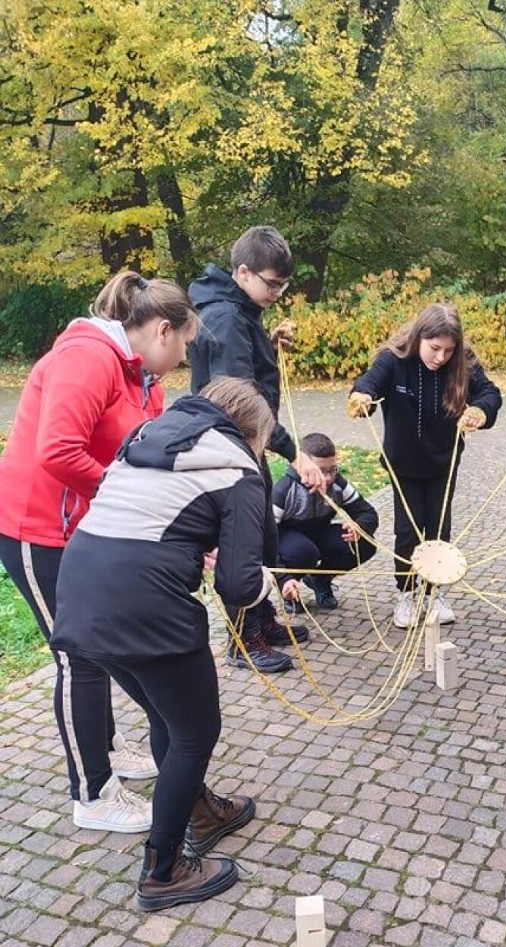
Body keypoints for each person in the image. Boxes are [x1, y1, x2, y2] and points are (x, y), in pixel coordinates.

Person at [51, 378, 298, 911]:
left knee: (167, 717)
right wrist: (265, 586)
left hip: (81, 588)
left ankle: (201, 813)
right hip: (145, 602)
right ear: (254, 434)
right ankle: (163, 870)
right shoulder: (237, 466)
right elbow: (237, 584)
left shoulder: (147, 438)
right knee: (195, 729)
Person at [0, 271, 199, 834]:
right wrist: (125, 497)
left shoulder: (143, 381)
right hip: (33, 528)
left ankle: (106, 750)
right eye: (184, 346)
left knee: (102, 647)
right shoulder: (87, 358)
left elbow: (142, 456)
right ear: (163, 330)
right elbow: (58, 450)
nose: (183, 360)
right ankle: (90, 794)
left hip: (83, 531)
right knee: (77, 657)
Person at [188, 225, 318, 673]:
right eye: (271, 283)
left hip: (250, 447)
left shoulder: (240, 309)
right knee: (243, 542)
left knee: (264, 534)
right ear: (243, 271)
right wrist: (292, 451)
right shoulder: (224, 316)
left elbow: (247, 360)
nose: (278, 293)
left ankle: (262, 621)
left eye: (283, 284)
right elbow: (239, 399)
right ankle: (243, 640)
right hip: (234, 446)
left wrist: (268, 342)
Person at [348, 303, 502, 629]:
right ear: (420, 337)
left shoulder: (463, 363)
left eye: (449, 350)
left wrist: (481, 410)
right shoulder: (394, 360)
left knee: (438, 529)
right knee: (408, 531)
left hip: (443, 463)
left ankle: (434, 594)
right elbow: (370, 382)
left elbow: (490, 393)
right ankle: (406, 594)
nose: (441, 357)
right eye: (435, 348)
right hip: (403, 464)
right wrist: (362, 397)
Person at [273, 432, 379, 611]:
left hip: (318, 533)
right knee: (304, 551)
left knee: (366, 544)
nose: (328, 478)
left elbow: (368, 513)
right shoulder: (284, 490)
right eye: (321, 471)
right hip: (287, 541)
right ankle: (290, 590)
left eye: (332, 469)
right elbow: (264, 539)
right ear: (304, 465)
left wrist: (359, 526)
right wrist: (282, 577)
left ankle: (320, 579)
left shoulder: (338, 484)